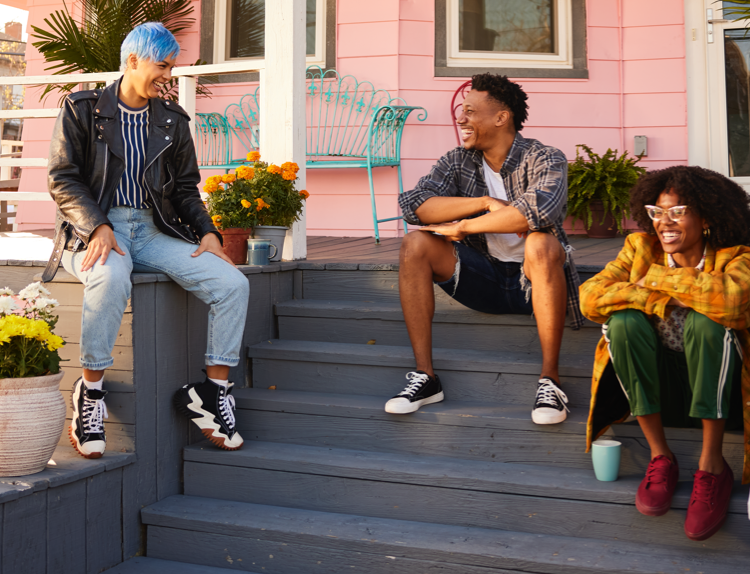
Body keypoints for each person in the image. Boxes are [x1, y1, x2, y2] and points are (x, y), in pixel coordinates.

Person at [43, 23, 249, 459]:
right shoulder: (83, 108)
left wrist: (209, 233)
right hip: (95, 230)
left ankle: (214, 392)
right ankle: (90, 394)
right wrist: (96, 225)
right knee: (109, 277)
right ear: (133, 61)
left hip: (154, 232)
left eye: (171, 67)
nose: (168, 75)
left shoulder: (172, 121)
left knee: (233, 284)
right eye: (162, 65)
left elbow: (186, 188)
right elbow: (63, 178)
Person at [390, 73, 584, 424]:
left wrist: (463, 226)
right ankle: (426, 377)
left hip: (534, 284)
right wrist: (483, 201)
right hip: (485, 278)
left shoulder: (544, 158)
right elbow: (415, 205)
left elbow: (535, 213)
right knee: (414, 242)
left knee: (540, 242)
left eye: (469, 111)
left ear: (500, 117)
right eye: (462, 111)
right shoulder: (457, 160)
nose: (460, 119)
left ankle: (550, 381)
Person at [581, 165, 750, 541]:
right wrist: (649, 297)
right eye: (657, 212)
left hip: (722, 392)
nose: (663, 222)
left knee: (709, 323)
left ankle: (712, 466)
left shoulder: (735, 256)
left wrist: (656, 278)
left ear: (706, 217)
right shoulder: (639, 248)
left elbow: (733, 301)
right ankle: (661, 457)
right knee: (623, 323)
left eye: (678, 211)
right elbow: (590, 298)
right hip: (660, 388)